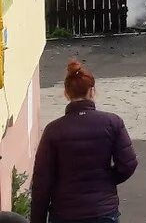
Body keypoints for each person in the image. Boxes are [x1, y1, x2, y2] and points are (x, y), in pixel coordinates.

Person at [31, 59, 138, 223]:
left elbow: (42, 181)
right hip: (103, 211)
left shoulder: (53, 130)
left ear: (66, 93)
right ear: (92, 91)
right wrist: (107, 181)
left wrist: (37, 219)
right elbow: (128, 164)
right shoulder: (112, 122)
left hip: (65, 213)